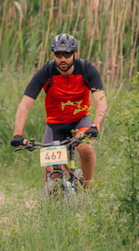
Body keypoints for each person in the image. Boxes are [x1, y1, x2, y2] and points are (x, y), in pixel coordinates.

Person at [10, 33, 108, 187]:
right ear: (53, 55)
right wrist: (17, 134)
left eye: (67, 54)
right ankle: (52, 200)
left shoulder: (87, 69)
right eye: (58, 54)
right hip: (55, 125)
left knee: (86, 148)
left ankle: (88, 189)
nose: (63, 59)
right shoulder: (46, 72)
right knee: (53, 174)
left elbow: (101, 103)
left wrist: (95, 125)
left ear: (75, 54)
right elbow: (24, 105)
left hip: (80, 121)